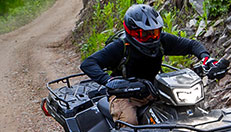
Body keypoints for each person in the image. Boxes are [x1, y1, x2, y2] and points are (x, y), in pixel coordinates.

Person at [80, 4, 222, 125]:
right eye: (144, 34)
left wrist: (206, 59)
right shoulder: (120, 46)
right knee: (130, 121)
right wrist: (110, 81)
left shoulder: (162, 41)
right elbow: (88, 63)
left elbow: (191, 45)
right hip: (124, 95)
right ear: (131, 31)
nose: (151, 38)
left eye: (154, 33)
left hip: (154, 89)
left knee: (191, 110)